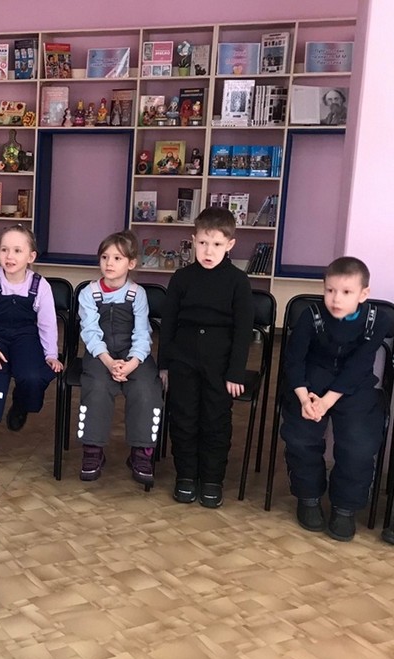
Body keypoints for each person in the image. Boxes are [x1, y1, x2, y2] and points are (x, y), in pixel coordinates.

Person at [280, 257, 389, 541]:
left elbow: (358, 366)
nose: (336, 299)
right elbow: (294, 360)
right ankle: (309, 498)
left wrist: (327, 401)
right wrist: (304, 399)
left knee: (358, 444)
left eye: (346, 292)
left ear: (363, 294)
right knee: (301, 437)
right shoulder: (311, 315)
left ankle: (344, 508)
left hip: (354, 387)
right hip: (310, 386)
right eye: (330, 290)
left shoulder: (378, 319)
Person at [159, 207, 254, 509]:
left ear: (230, 245)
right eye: (202, 243)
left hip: (220, 365)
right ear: (193, 241)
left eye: (216, 244)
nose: (208, 251)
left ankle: (212, 479)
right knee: (184, 418)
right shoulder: (181, 278)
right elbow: (168, 324)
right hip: (183, 360)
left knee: (215, 421)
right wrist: (164, 365)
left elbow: (243, 331)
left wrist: (236, 371)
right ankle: (186, 475)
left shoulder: (238, 282)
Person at [0, 224, 63, 460]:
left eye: (17, 251)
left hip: (26, 337)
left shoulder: (40, 285)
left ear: (31, 256)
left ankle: (21, 405)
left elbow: (47, 323)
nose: (10, 256)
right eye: (4, 250)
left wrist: (51, 354)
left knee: (33, 376)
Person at [77, 231, 164, 486]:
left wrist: (132, 362)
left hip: (133, 354)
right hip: (100, 355)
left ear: (131, 263)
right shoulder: (89, 293)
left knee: (146, 388)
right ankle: (92, 450)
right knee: (96, 386)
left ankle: (142, 453)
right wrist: (108, 361)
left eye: (117, 258)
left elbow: (143, 333)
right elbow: (90, 332)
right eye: (105, 257)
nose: (109, 263)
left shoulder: (137, 294)